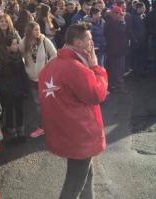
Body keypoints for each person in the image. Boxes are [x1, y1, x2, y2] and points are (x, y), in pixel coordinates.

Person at [38, 23, 108, 199]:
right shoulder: (76, 68)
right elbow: (97, 94)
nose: (92, 43)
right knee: (74, 184)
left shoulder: (51, 65)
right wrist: (96, 68)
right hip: (80, 135)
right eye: (90, 40)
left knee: (86, 174)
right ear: (78, 42)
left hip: (65, 132)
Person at [19, 22, 57, 138]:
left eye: (39, 29)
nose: (38, 32)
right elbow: (20, 57)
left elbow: (54, 54)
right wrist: (26, 69)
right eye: (35, 30)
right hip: (32, 79)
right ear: (29, 31)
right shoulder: (23, 42)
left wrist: (47, 67)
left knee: (49, 102)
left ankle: (53, 125)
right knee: (38, 104)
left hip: (45, 78)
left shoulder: (44, 40)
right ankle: (42, 127)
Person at [0, 35, 30, 142]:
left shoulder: (19, 56)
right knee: (10, 112)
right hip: (9, 89)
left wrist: (26, 88)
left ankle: (21, 132)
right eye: (14, 44)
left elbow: (23, 74)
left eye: (17, 43)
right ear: (8, 46)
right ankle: (12, 135)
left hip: (18, 87)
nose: (17, 45)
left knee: (19, 110)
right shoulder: (2, 59)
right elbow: (1, 76)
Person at [104, 6, 129, 92]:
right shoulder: (112, 23)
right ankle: (117, 85)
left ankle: (117, 85)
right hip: (115, 49)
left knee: (118, 68)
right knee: (117, 69)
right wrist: (122, 23)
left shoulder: (112, 21)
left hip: (117, 48)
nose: (120, 15)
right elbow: (120, 32)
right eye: (119, 14)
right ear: (115, 14)